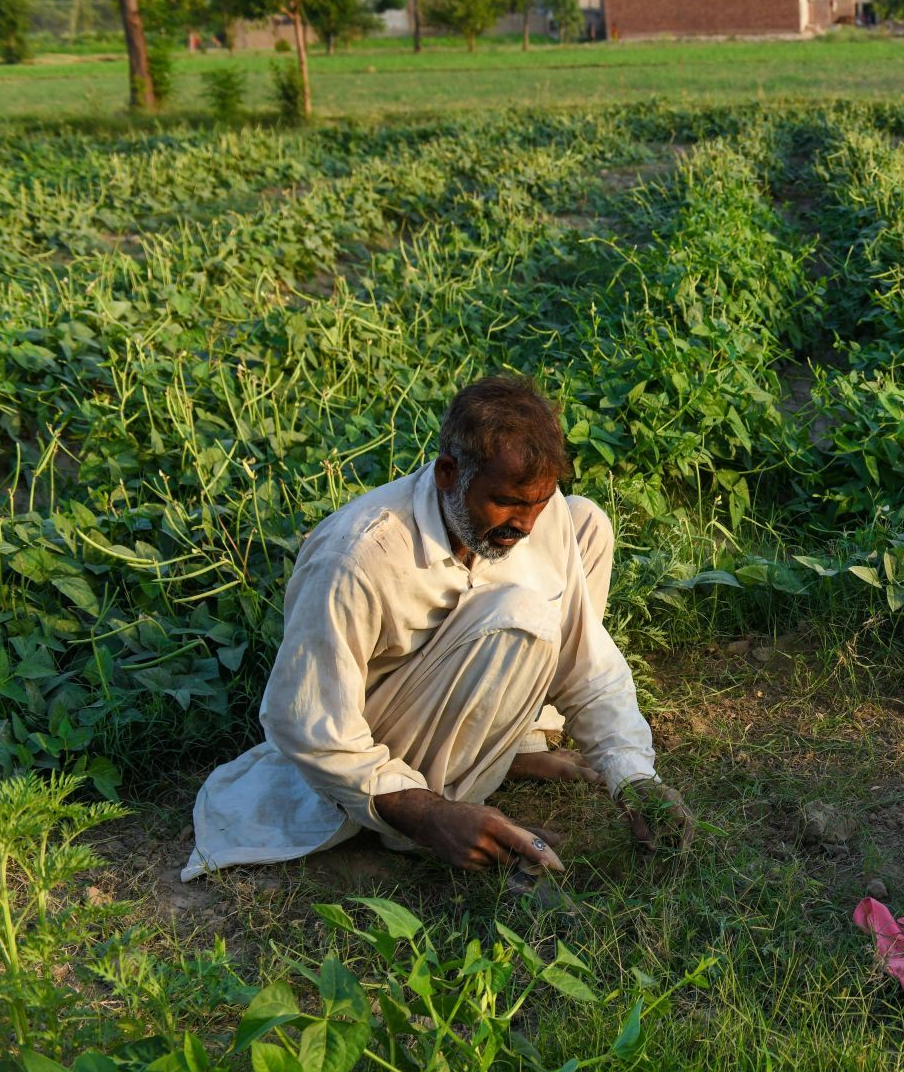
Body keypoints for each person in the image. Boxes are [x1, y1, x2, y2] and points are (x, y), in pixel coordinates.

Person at [183, 376, 691, 882]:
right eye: (509, 502)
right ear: (448, 472)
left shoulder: (537, 509)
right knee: (526, 616)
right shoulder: (357, 558)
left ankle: (512, 748)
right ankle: (431, 806)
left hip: (456, 682)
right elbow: (308, 720)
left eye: (538, 503)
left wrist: (633, 778)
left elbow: (586, 660)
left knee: (586, 524)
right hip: (381, 736)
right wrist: (429, 815)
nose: (527, 524)